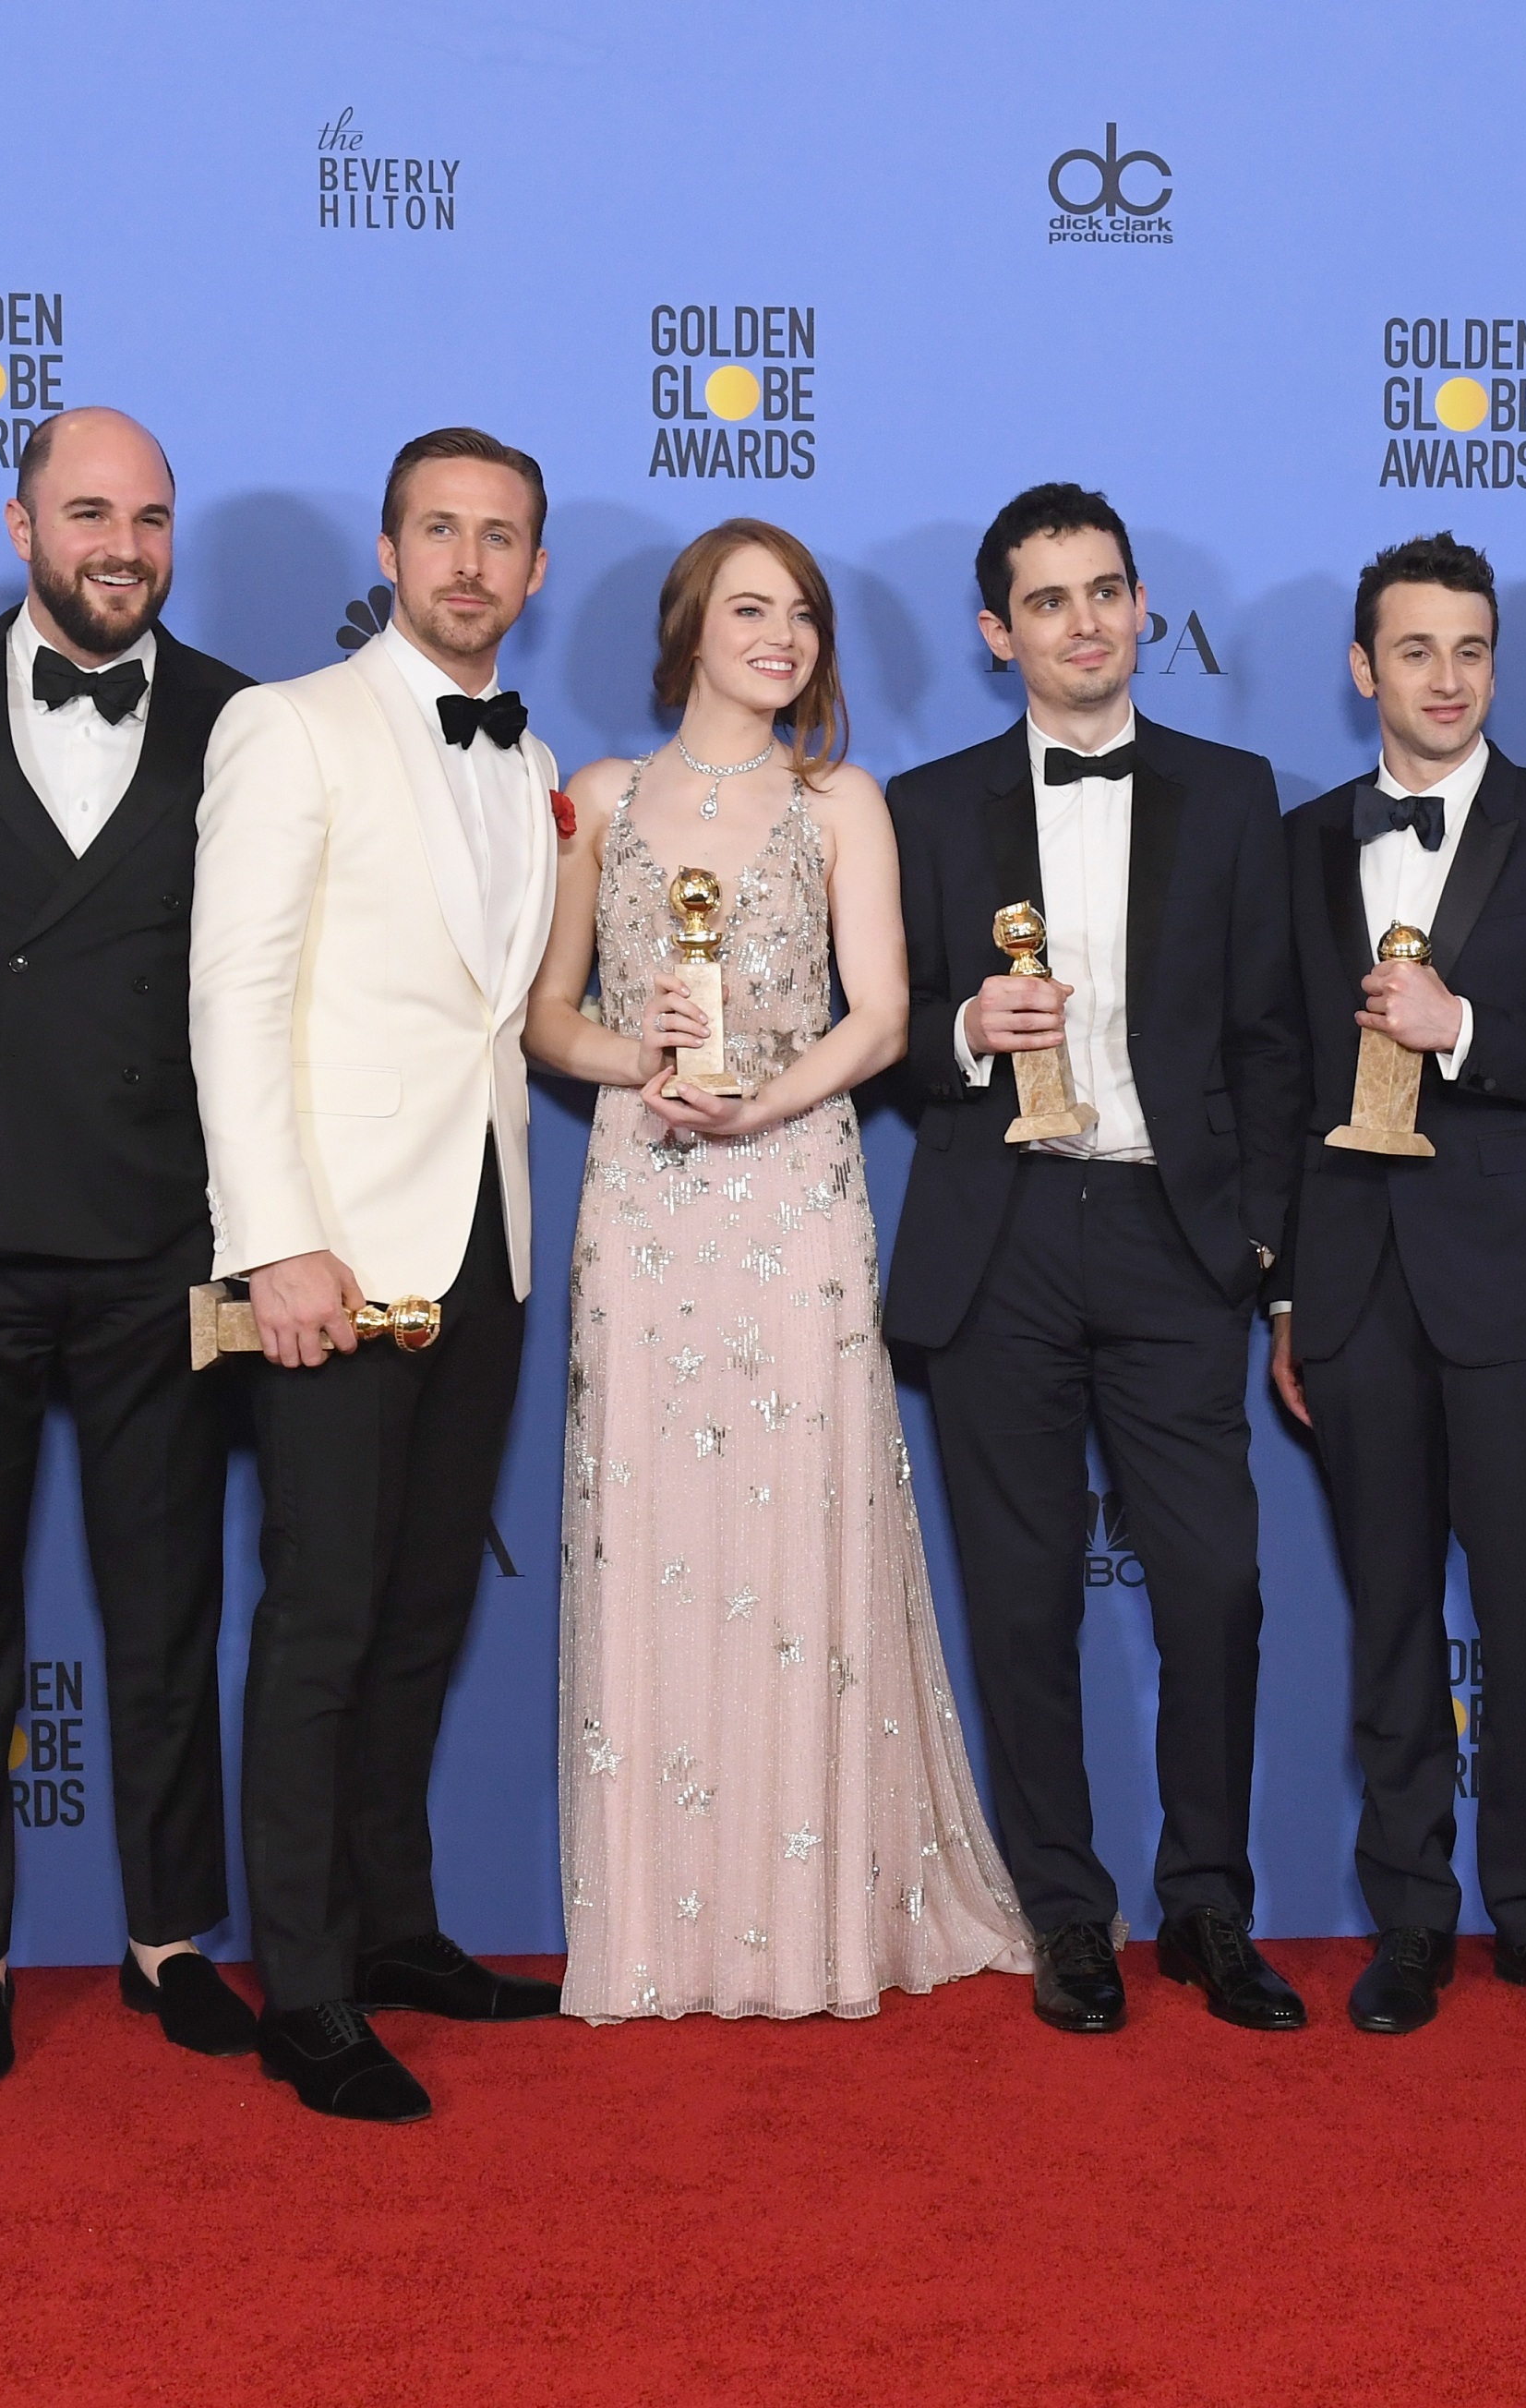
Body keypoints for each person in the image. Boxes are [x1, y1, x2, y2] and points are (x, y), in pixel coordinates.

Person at [527, 518, 1026, 2021]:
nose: (784, 636)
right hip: (646, 1193)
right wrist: (647, 1058)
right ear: (688, 627)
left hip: (797, 1192)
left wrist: (767, 1100)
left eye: (802, 613)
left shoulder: (841, 802)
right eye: (751, 609)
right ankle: (661, 1933)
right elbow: (550, 1013)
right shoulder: (598, 800)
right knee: (655, 1534)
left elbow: (881, 1018)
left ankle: (815, 1916)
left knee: (802, 1540)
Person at [0, 407, 258, 2087]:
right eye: (89, 511)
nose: (124, 546)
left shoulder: (246, 719)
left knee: (164, 1604)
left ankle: (171, 1938)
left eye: (152, 517)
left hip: (165, 1225)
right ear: (20, 525)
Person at [882, 483, 1310, 2036]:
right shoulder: (922, 809)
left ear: (1141, 611)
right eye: (1048, 601)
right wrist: (957, 1033)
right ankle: (1066, 1910)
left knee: (1219, 1585)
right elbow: (876, 1031)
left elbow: (1272, 1039)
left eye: (1107, 592)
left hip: (1169, 1232)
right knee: (1022, 1596)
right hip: (997, 1233)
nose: (1084, 623)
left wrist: (1268, 1256)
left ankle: (1209, 1904)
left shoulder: (1233, 790)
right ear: (999, 633)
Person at [189, 427, 565, 2123]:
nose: (469, 563)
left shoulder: (531, 751)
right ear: (393, 550)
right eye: (440, 531)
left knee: (419, 1614)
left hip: (484, 1240)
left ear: (534, 569)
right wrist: (277, 1239)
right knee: (325, 1618)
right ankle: (309, 1987)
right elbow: (233, 997)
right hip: (332, 1245)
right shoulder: (288, 725)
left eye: (500, 538)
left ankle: (398, 1927)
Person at [1264, 533, 1526, 2038]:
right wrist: (1288, 1294)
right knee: (1388, 1626)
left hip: (1525, 1297)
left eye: (1472, 650)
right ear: (1366, 668)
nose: (1446, 677)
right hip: (1355, 1295)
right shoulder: (1298, 846)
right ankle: (1410, 1920)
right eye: (1415, 650)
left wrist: (1463, 1028)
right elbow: (1281, 1081)